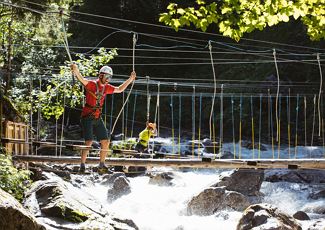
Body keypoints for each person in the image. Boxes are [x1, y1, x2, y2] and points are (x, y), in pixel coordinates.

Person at [70, 63, 136, 173]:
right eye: (107, 77)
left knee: (105, 141)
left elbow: (119, 89)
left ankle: (101, 165)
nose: (108, 79)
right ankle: (82, 165)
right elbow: (81, 79)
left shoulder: (107, 88)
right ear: (101, 76)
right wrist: (76, 70)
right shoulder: (91, 84)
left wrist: (130, 79)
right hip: (87, 117)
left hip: (97, 117)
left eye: (110, 77)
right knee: (89, 142)